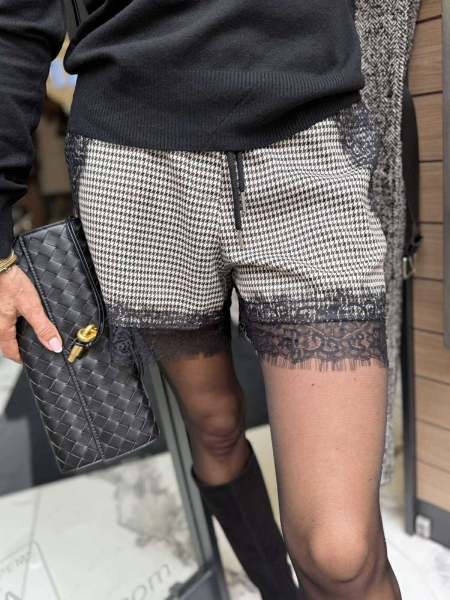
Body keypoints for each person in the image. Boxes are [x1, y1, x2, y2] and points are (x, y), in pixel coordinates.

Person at [0, 1, 402, 598]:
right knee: (214, 427)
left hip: (307, 138)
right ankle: (276, 591)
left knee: (341, 551)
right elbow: (13, 22)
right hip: (134, 167)